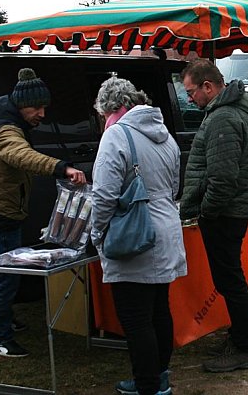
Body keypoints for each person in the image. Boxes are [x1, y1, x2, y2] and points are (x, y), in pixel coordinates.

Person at [0, 67, 86, 358]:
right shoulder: (6, 129)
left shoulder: (12, 122)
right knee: (5, 274)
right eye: (38, 107)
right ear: (23, 105)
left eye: (44, 107)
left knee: (8, 272)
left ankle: (3, 318)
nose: (42, 114)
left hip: (7, 209)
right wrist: (62, 167)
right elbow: (19, 154)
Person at [90, 76, 187, 395]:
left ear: (114, 109)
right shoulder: (165, 135)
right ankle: (159, 378)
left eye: (104, 113)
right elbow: (174, 187)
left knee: (136, 319)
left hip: (135, 233)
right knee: (159, 310)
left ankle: (148, 385)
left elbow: (103, 195)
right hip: (165, 226)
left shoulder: (116, 136)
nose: (103, 120)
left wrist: (97, 232)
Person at [179, 59, 248, 373]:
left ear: (208, 87)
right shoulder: (235, 111)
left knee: (230, 280)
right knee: (230, 278)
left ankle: (243, 347)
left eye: (191, 92)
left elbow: (222, 178)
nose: (189, 99)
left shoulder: (223, 118)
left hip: (225, 213)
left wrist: (206, 211)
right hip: (231, 210)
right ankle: (239, 338)